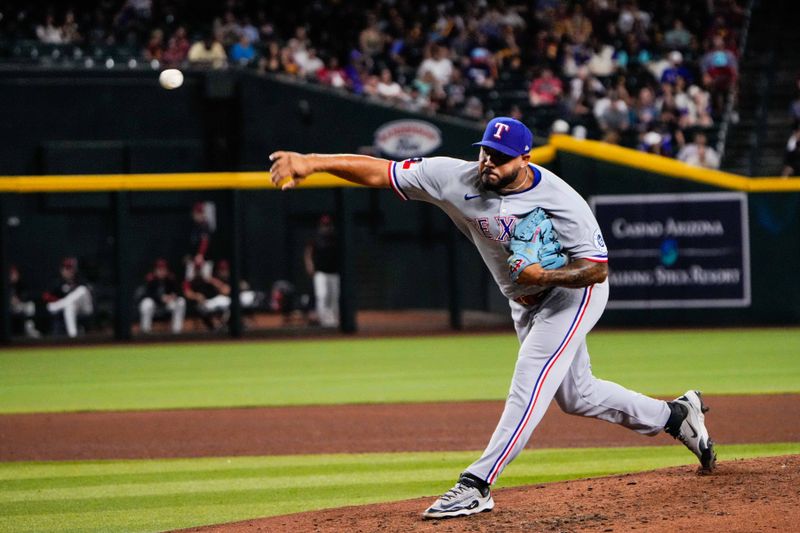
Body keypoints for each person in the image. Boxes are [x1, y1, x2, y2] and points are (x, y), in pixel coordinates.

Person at [269, 116, 716, 519]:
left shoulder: (562, 200)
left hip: (570, 297)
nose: (488, 163)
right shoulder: (453, 176)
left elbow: (597, 268)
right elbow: (380, 171)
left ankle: (476, 484)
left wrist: (549, 274)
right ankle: (674, 416)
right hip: (523, 300)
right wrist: (312, 162)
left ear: (525, 159)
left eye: (500, 158)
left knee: (530, 380)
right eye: (485, 152)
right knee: (577, 396)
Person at [42, 257, 93, 338]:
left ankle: (61, 304)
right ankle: (73, 336)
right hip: (72, 309)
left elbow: (88, 291)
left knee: (82, 290)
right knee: (69, 306)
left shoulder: (79, 279)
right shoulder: (57, 282)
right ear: (61, 270)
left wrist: (61, 302)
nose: (69, 271)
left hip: (85, 307)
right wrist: (60, 300)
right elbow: (46, 296)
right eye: (66, 268)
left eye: (70, 268)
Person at [304, 215, 340, 327]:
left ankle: (335, 320)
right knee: (322, 295)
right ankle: (323, 320)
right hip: (320, 272)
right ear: (320, 225)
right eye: (324, 225)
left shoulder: (336, 238)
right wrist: (309, 265)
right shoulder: (316, 238)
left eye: (328, 225)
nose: (326, 227)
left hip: (334, 272)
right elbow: (308, 252)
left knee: (334, 296)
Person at [138, 258, 186, 334]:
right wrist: (160, 298)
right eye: (159, 269)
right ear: (155, 270)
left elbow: (180, 292)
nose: (162, 271)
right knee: (146, 304)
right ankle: (145, 332)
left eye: (163, 269)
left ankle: (177, 332)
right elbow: (146, 294)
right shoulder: (151, 279)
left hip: (167, 305)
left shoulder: (170, 279)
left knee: (181, 302)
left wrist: (173, 296)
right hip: (155, 306)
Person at [10, 265, 41, 338]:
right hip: (6, 308)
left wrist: (18, 299)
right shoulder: (4, 284)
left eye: (15, 273)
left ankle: (29, 330)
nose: (14, 276)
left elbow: (25, 296)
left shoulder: (20, 285)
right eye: (12, 274)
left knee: (30, 305)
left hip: (17, 306)